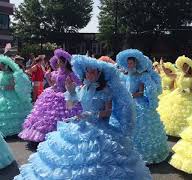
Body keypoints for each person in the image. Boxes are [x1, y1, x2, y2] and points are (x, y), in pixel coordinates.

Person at [14, 55, 152, 180]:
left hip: (100, 129)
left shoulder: (106, 91)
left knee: (101, 163)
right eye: (87, 71)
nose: (89, 74)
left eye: (93, 71)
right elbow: (70, 106)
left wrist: (93, 114)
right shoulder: (82, 88)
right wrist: (72, 92)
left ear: (99, 74)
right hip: (79, 125)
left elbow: (108, 112)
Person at [116, 49, 169, 164]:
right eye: (128, 63)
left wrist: (129, 95)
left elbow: (140, 92)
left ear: (136, 63)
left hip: (138, 103)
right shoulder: (126, 76)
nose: (130, 65)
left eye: (132, 63)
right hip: (128, 102)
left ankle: (144, 154)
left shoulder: (140, 75)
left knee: (141, 127)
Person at [19, 49, 82, 143]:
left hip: (66, 97)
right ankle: (40, 134)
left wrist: (70, 89)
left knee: (61, 116)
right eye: (58, 62)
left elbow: (79, 85)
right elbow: (53, 85)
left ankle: (60, 136)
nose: (59, 63)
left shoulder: (71, 74)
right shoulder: (57, 72)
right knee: (45, 116)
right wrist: (48, 78)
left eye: (60, 62)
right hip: (54, 94)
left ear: (65, 62)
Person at [157, 55, 192, 137]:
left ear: (189, 67)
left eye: (186, 67)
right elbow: (168, 74)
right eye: (183, 67)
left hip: (189, 97)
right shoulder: (179, 75)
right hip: (178, 95)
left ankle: (187, 132)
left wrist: (186, 90)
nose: (184, 68)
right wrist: (162, 65)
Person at [0, 55, 32, 137]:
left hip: (10, 96)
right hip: (2, 94)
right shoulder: (2, 73)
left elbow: (13, 86)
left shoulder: (12, 75)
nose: (1, 67)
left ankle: (13, 131)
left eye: (2, 65)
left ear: (6, 65)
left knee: (11, 113)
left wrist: (2, 87)